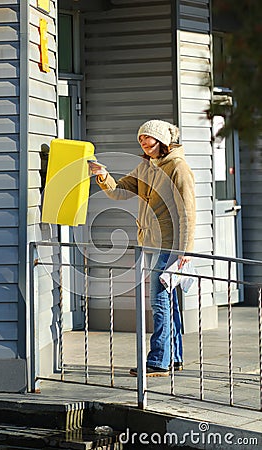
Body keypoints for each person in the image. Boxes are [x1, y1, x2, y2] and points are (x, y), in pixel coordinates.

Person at [88, 119, 196, 377]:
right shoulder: (145, 166)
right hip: (151, 243)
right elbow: (120, 192)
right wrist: (103, 176)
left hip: (170, 246)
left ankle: (159, 361)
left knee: (159, 302)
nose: (144, 143)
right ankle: (175, 357)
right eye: (140, 139)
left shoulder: (178, 167)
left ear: (162, 140)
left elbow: (187, 212)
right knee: (168, 302)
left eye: (148, 138)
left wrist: (185, 250)